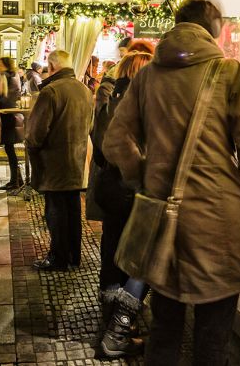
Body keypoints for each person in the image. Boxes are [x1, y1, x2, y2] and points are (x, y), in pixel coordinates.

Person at [104, 0, 240, 365]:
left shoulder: (148, 75)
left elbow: (115, 141)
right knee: (213, 338)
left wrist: (143, 177)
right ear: (213, 28)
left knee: (164, 329)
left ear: (176, 25)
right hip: (219, 225)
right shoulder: (230, 73)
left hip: (162, 219)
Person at [91, 41, 154, 359]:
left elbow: (99, 141)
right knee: (140, 256)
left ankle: (110, 316)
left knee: (112, 249)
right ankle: (119, 329)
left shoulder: (111, 98)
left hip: (111, 186)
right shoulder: (143, 101)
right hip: (135, 190)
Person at [26, 49, 93, 271]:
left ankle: (58, 258)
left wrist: (33, 148)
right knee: (73, 212)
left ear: (52, 66)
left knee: (55, 213)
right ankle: (73, 255)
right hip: (76, 159)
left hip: (54, 162)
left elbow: (36, 132)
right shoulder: (84, 89)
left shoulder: (51, 91)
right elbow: (90, 125)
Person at [0, 56, 24, 191]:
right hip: (13, 114)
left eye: (0, 63)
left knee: (9, 149)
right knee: (10, 148)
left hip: (5, 115)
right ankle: (17, 179)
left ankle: (15, 180)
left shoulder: (4, 76)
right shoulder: (16, 75)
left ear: (5, 64)